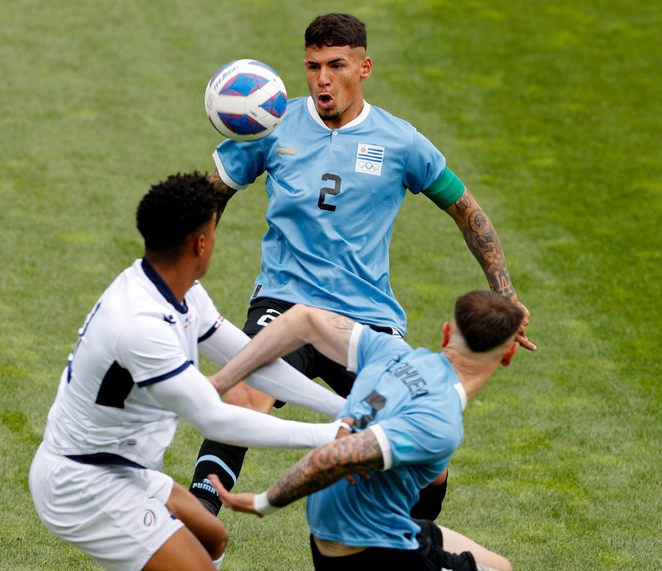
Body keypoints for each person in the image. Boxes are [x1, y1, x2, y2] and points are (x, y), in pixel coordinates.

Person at [190, 12, 534, 519]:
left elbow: (467, 211)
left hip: (369, 319)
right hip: (283, 303)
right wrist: (188, 266)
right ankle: (199, 532)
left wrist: (503, 292)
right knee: (243, 396)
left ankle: (414, 540)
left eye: (336, 65)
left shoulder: (400, 142)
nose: (322, 79)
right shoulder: (273, 123)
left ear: (364, 67)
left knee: (422, 429)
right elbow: (211, 196)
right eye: (312, 67)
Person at [28, 172, 348, 571]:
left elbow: (249, 360)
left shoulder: (179, 289)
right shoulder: (141, 326)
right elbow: (216, 420)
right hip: (83, 483)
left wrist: (342, 409)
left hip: (125, 470)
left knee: (213, 538)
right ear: (200, 243)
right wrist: (331, 437)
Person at [205, 290, 522, 570]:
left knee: (500, 566)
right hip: (370, 553)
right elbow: (333, 458)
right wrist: (264, 502)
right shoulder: (441, 421)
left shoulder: (392, 353)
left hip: (339, 534)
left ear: (446, 332)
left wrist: (222, 380)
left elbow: (302, 318)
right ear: (508, 355)